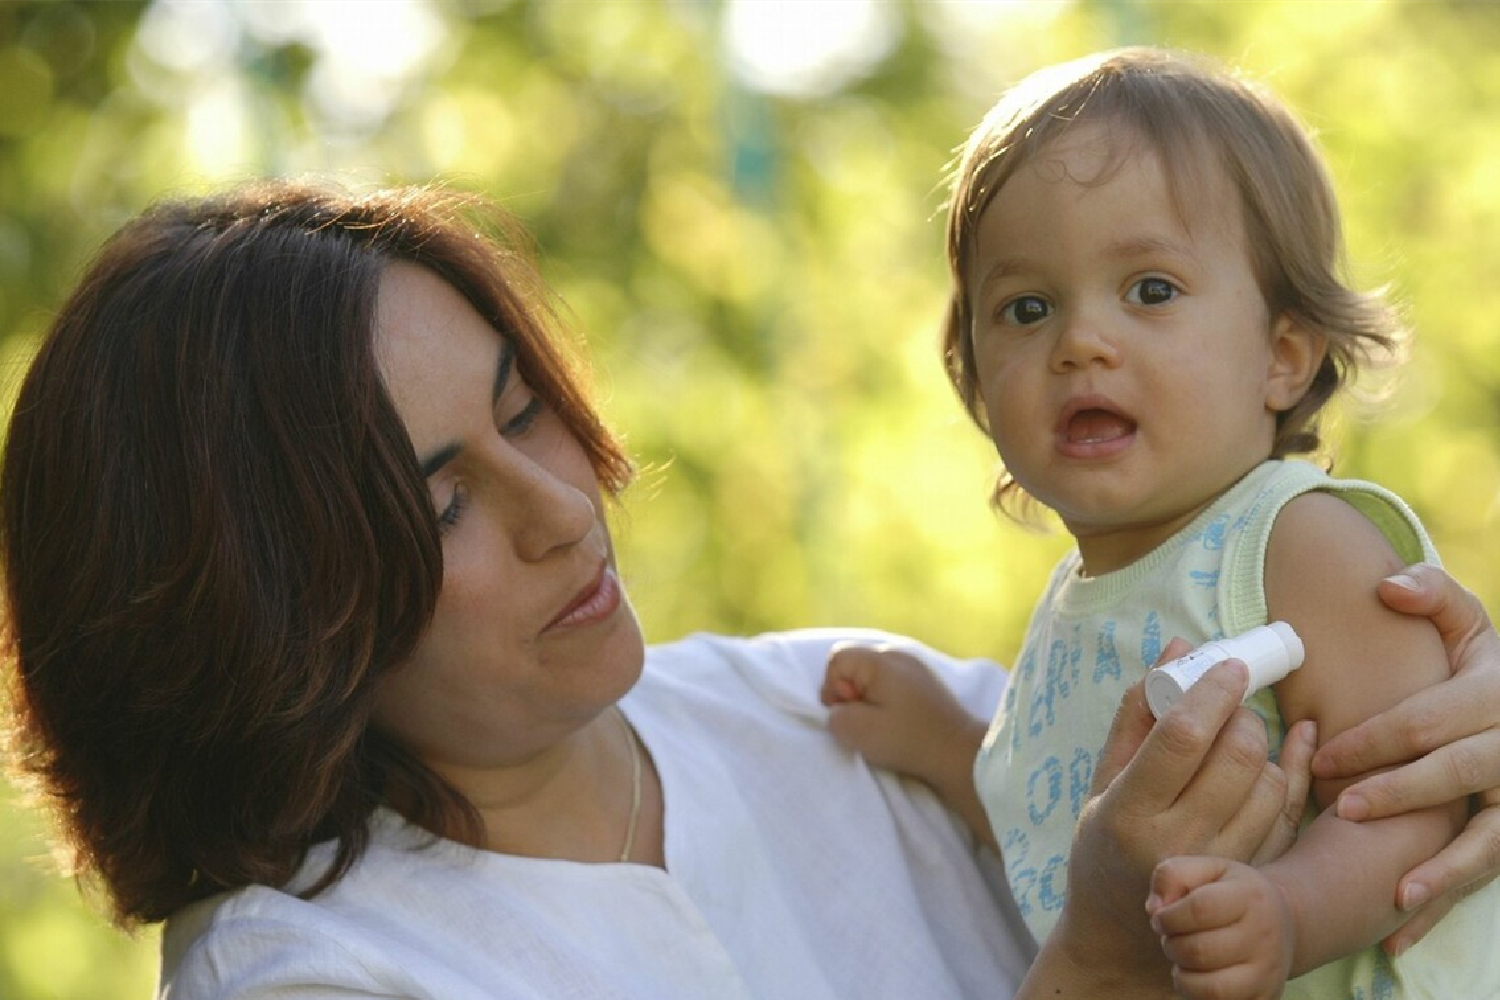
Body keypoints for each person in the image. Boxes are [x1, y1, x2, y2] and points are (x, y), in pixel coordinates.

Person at [2, 182, 1499, 1000]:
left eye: (529, 412)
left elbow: (1337, 811)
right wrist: (1103, 963)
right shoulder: (311, 977)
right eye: (442, 498)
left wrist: (1454, 730)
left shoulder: (834, 705)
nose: (559, 511)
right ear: (262, 624)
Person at [823, 47, 1500, 1000]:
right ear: (976, 380)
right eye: (1026, 308)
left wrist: (1292, 911)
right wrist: (946, 744)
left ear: (1283, 356)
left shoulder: (1298, 544)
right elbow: (1068, 834)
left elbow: (1417, 794)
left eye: (1150, 290)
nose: (1080, 342)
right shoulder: (1075, 607)